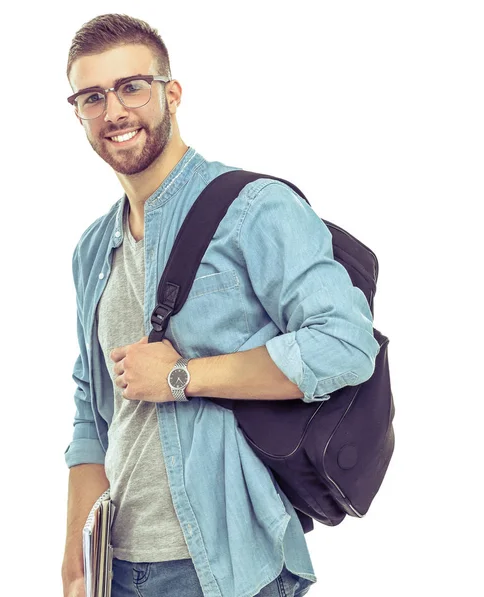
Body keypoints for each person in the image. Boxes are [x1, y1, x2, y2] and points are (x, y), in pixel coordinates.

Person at [61, 14, 380, 597]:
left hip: (226, 564)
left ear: (171, 94)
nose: (114, 111)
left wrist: (182, 375)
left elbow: (345, 343)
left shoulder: (254, 208)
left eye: (132, 86)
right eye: (92, 96)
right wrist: (75, 565)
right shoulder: (90, 250)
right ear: (78, 112)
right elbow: (90, 410)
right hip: (118, 565)